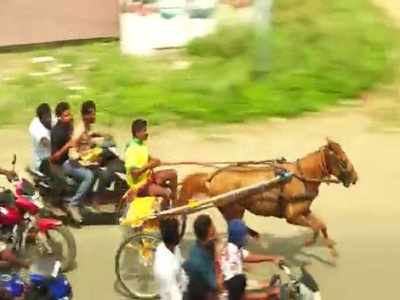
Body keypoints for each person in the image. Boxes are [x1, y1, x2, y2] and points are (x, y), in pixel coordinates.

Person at [50, 102, 94, 223]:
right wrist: (67, 146)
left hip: (72, 160)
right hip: (64, 164)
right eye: (66, 115)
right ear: (59, 117)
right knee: (88, 176)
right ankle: (73, 204)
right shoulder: (57, 132)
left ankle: (83, 201)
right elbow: (53, 158)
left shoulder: (69, 126)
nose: (70, 117)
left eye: (70, 114)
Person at [220, 219, 284, 300]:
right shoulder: (232, 259)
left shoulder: (231, 246)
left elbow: (248, 256)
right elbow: (238, 294)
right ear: (239, 237)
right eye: (245, 235)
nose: (247, 237)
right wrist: (267, 295)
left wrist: (272, 258)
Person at [125, 118, 177, 209]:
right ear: (137, 133)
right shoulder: (132, 150)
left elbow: (147, 157)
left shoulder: (141, 145)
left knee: (173, 173)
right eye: (144, 131)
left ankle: (175, 201)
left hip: (148, 178)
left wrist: (155, 160)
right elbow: (134, 174)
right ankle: (166, 212)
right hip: (139, 186)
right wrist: (149, 165)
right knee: (166, 193)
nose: (147, 133)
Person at [183, 214, 224, 300]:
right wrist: (218, 255)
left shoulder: (197, 248)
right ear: (211, 233)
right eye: (214, 228)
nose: (216, 231)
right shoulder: (200, 261)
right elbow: (218, 286)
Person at [154, 218, 187, 300]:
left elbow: (181, 263)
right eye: (178, 230)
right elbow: (175, 296)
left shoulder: (171, 247)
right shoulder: (166, 271)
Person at [29, 103, 53, 172]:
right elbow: (45, 142)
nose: (50, 119)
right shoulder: (35, 127)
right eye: (48, 117)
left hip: (52, 158)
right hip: (42, 162)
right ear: (41, 117)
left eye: (50, 116)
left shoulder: (48, 119)